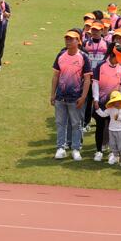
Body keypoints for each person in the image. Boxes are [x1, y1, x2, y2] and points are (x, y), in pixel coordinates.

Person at [50, 31, 90, 161]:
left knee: (76, 124)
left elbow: (87, 78)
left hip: (76, 98)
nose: (68, 41)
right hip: (60, 97)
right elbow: (56, 75)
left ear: (78, 41)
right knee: (60, 123)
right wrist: (52, 94)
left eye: (71, 39)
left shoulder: (83, 57)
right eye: (66, 39)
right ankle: (60, 148)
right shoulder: (61, 55)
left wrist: (83, 96)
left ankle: (76, 149)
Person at [101, 90, 121, 166]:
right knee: (112, 144)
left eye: (118, 101)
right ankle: (115, 157)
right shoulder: (110, 109)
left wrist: (119, 118)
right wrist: (97, 109)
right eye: (115, 101)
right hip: (111, 129)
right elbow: (103, 114)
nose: (117, 103)